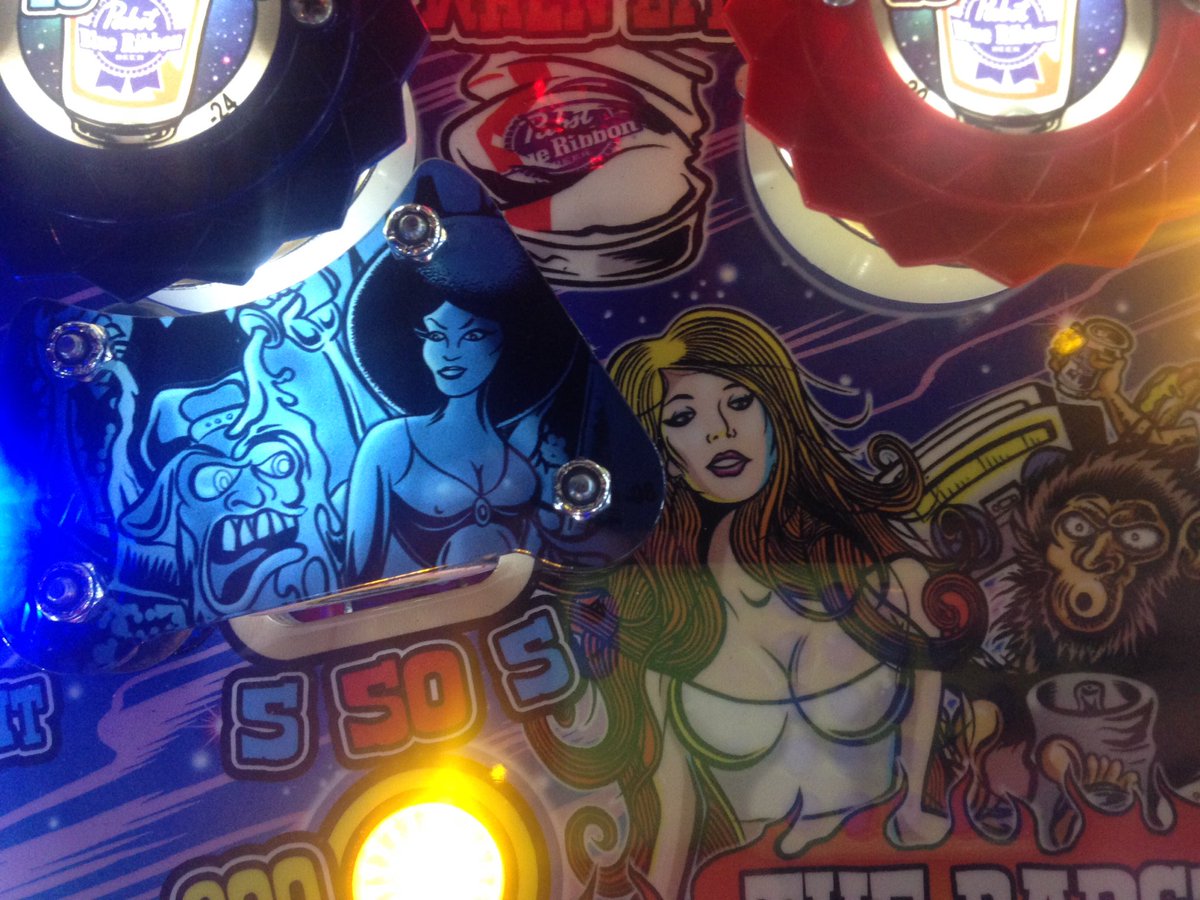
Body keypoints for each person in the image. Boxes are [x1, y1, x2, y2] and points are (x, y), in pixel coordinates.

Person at [528, 307, 981, 897]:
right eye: (683, 417)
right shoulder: (667, 624)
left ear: (777, 413)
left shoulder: (892, 584)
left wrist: (925, 818)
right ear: (663, 453)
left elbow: (924, 798)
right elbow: (673, 820)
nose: (718, 431)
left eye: (739, 402)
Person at [341, 206, 579, 581]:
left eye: (473, 335)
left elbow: (549, 569)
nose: (450, 352)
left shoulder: (522, 463)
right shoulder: (390, 445)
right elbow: (355, 578)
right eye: (436, 335)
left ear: (506, 342)